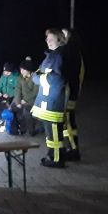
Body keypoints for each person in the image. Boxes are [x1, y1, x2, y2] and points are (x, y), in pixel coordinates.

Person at [31, 28, 69, 168]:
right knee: (51, 133)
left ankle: (57, 159)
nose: (48, 41)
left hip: (53, 101)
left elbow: (57, 79)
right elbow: (36, 74)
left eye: (51, 39)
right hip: (47, 101)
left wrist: (39, 77)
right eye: (47, 39)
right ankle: (52, 155)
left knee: (54, 133)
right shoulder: (51, 56)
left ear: (60, 40)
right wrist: (39, 77)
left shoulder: (59, 56)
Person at [61, 28, 85, 161]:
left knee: (69, 121)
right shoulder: (75, 52)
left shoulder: (69, 51)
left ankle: (74, 150)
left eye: (64, 34)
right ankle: (71, 147)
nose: (61, 36)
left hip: (68, 92)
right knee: (68, 121)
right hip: (72, 91)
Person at [13, 58, 42, 136]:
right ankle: (18, 129)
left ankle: (31, 131)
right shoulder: (20, 78)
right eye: (20, 69)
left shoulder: (35, 78)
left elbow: (35, 93)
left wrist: (25, 100)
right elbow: (17, 90)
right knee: (12, 108)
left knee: (26, 111)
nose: (21, 71)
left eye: (23, 69)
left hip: (33, 101)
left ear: (28, 70)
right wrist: (18, 102)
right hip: (22, 100)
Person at [0, 62, 19, 130]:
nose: (6, 73)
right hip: (3, 95)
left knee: (9, 108)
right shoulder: (3, 76)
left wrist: (9, 94)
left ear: (11, 71)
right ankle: (0, 120)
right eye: (5, 71)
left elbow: (18, 89)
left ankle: (10, 124)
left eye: (8, 72)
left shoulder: (15, 77)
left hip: (12, 96)